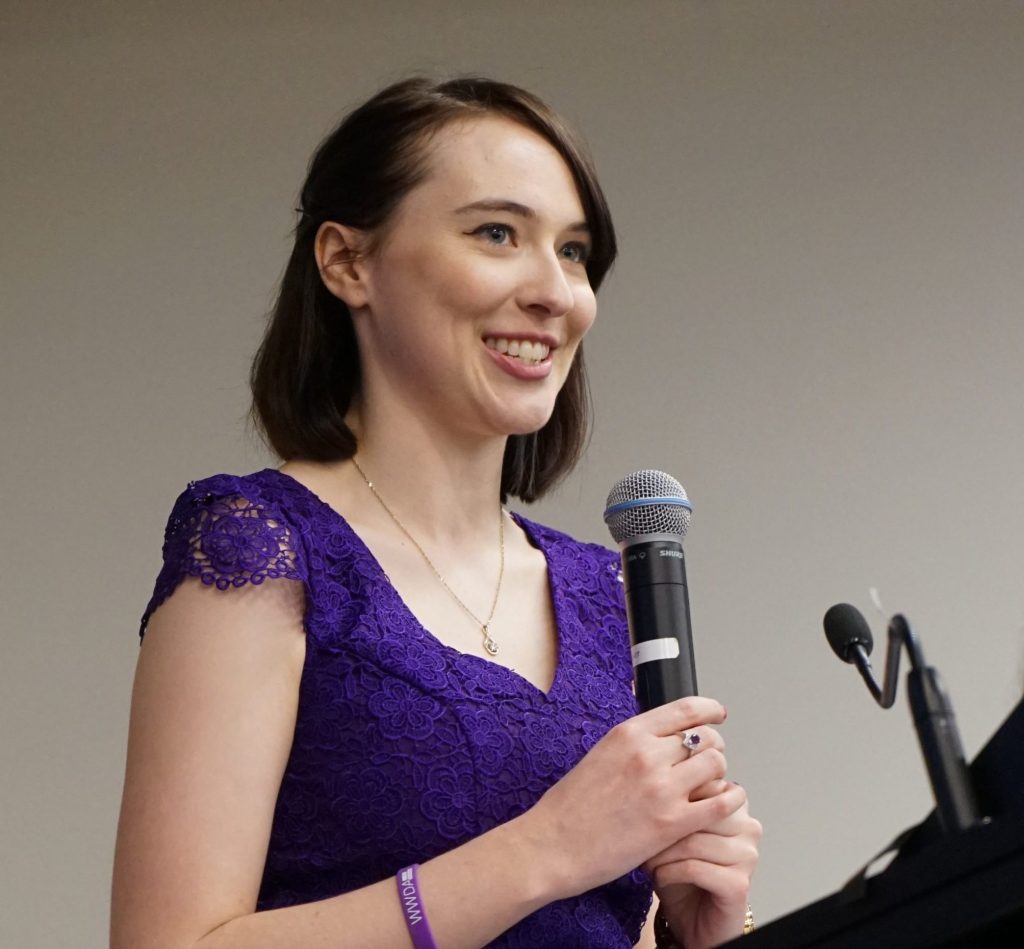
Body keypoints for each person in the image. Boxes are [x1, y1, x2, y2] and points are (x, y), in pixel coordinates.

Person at [110, 76, 761, 949]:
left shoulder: (606, 590)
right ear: (348, 262)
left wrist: (704, 932)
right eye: (498, 233)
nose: (556, 293)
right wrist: (544, 849)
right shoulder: (260, 547)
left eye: (573, 251)